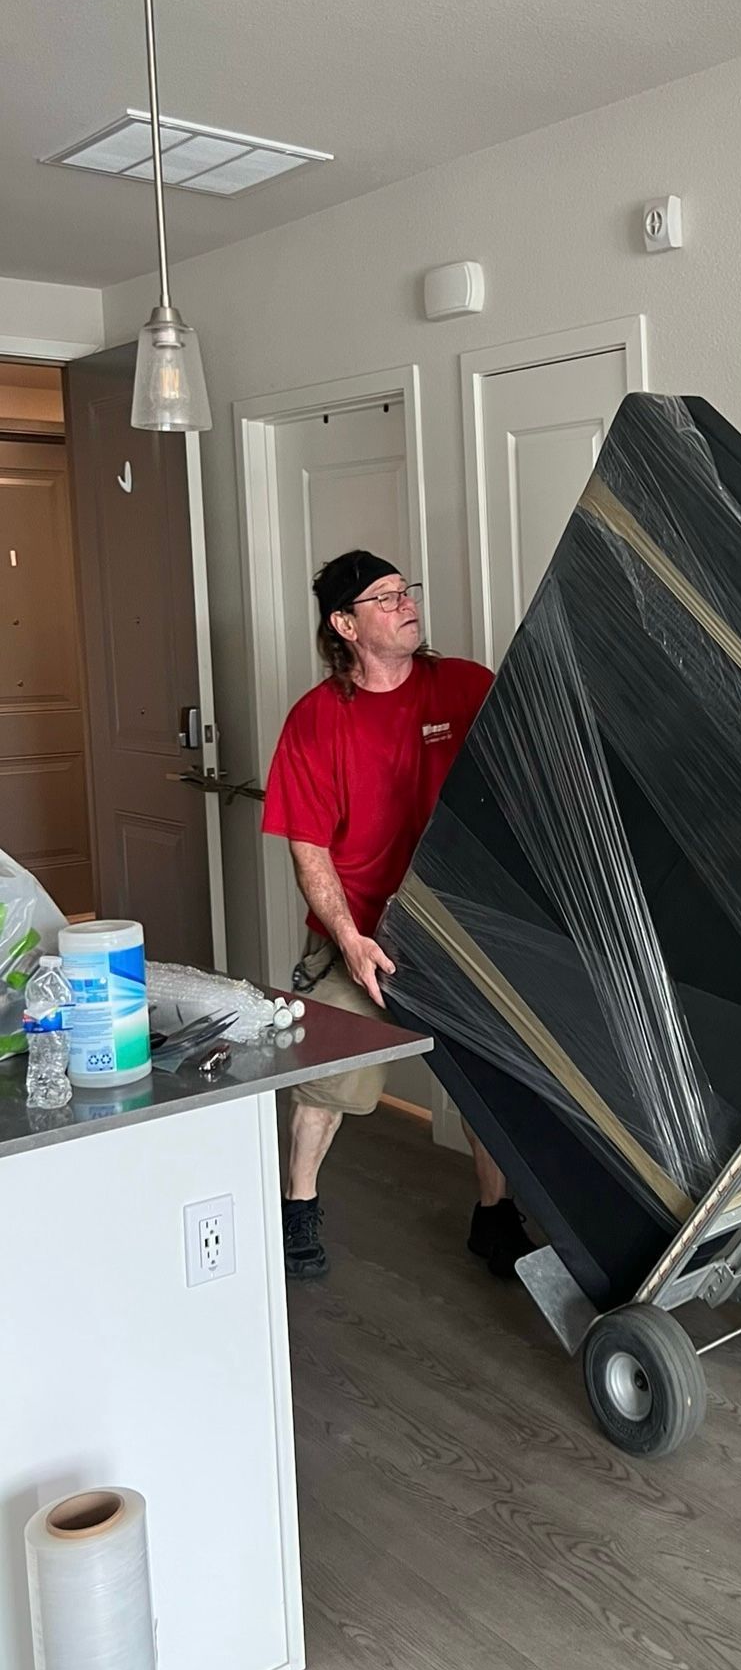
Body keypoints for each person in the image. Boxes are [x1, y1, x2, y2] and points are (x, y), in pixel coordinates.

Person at [262, 548, 533, 1284]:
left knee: (486, 1081)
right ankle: (298, 1206)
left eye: (404, 590)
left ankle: (494, 1216)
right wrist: (349, 940)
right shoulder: (317, 722)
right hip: (366, 937)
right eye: (383, 599)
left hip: (460, 930)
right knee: (330, 1086)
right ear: (344, 625)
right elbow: (309, 849)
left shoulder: (466, 686)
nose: (406, 604)